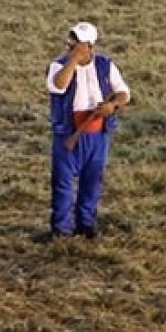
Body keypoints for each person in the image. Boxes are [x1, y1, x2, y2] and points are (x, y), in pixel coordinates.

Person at [45, 22, 131, 240]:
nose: (72, 45)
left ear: (90, 45)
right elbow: (58, 86)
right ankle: (61, 229)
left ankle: (86, 224)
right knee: (63, 182)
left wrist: (112, 107)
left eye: (78, 42)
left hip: (97, 134)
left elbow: (123, 92)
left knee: (92, 180)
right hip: (69, 133)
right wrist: (73, 61)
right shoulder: (58, 66)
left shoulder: (105, 66)